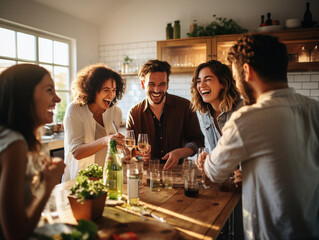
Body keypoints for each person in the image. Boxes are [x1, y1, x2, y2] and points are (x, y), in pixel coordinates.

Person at [197, 34, 319, 239]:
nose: (236, 84)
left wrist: (206, 160)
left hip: (272, 233)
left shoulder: (247, 118)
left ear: (247, 71)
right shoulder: (315, 109)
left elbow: (215, 171)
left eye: (235, 77)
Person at [0, 64, 65, 239]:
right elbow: (16, 234)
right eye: (49, 90)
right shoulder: (15, 144)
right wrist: (48, 185)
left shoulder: (9, 136)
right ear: (24, 96)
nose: (57, 99)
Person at [126, 59, 204, 170]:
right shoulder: (134, 113)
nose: (157, 90)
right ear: (143, 84)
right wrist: (138, 154)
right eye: (151, 84)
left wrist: (180, 152)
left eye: (162, 84)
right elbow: (129, 150)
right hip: (146, 175)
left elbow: (198, 141)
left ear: (167, 84)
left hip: (178, 173)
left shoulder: (185, 106)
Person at [63, 63, 125, 181]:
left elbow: (114, 151)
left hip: (107, 179)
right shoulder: (75, 109)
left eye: (114, 90)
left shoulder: (115, 112)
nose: (111, 95)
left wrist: (129, 152)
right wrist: (106, 140)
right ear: (92, 90)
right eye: (106, 89)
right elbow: (77, 152)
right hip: (80, 181)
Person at [190, 59, 242, 153]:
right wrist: (209, 159)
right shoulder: (206, 114)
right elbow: (218, 153)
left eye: (208, 79)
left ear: (222, 83)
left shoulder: (241, 110)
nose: (201, 85)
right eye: (198, 81)